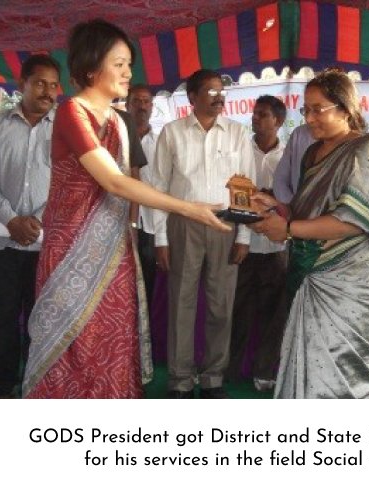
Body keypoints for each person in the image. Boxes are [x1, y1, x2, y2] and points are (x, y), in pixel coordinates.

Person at [22, 19, 229, 399]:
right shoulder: (72, 112)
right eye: (118, 64)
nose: (128, 73)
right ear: (90, 69)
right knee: (72, 344)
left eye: (128, 64)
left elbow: (130, 180)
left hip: (114, 249)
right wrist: (188, 208)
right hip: (71, 249)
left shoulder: (119, 122)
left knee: (112, 337)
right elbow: (115, 182)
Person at [251, 69, 369, 399]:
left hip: (347, 280)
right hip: (306, 273)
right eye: (306, 109)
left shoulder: (366, 149)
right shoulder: (313, 152)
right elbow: (308, 211)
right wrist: (277, 207)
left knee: (339, 377)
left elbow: (354, 221)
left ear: (345, 109)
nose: (309, 118)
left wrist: (287, 229)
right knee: (303, 367)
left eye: (318, 109)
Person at [153, 69, 256, 399]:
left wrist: (244, 236)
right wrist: (161, 238)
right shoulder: (172, 133)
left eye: (221, 91)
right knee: (181, 303)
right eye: (210, 91)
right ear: (192, 97)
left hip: (225, 225)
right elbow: (158, 188)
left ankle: (213, 379)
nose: (218, 97)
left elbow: (246, 188)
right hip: (183, 224)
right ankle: (180, 381)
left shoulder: (238, 133)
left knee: (221, 305)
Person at [0, 54, 60, 398]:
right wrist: (10, 218)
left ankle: (36, 386)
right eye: (39, 83)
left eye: (53, 85)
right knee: (2, 318)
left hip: (46, 245)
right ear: (22, 84)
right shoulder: (0, 126)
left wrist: (37, 220)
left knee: (42, 319)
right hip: (2, 242)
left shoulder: (66, 131)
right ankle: (3, 385)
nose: (47, 91)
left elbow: (69, 184)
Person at [227, 95, 288, 391]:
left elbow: (293, 199)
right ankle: (229, 370)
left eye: (262, 114)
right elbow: (233, 194)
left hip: (276, 248)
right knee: (237, 310)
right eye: (254, 113)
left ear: (278, 121)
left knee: (272, 314)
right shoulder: (240, 150)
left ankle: (264, 372)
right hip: (244, 244)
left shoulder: (289, 157)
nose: (255, 119)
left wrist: (271, 198)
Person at [126, 84, 158, 309]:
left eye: (147, 101)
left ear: (152, 107)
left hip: (151, 224)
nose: (142, 106)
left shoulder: (162, 142)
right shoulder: (116, 140)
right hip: (121, 222)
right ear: (127, 105)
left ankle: (146, 328)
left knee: (147, 284)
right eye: (137, 101)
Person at [273, 123, 314, 203]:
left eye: (317, 112)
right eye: (305, 115)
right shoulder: (300, 133)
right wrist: (293, 205)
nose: (309, 119)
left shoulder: (341, 148)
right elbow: (280, 180)